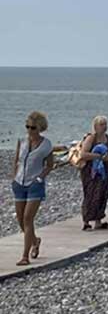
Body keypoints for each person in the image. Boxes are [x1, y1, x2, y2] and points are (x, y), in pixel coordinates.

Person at [11, 111, 52, 266]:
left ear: (40, 128)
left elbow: (49, 165)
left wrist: (40, 178)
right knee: (20, 220)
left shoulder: (46, 144)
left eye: (33, 128)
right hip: (19, 183)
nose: (29, 130)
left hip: (35, 184)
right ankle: (35, 241)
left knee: (28, 218)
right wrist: (13, 177)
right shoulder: (21, 141)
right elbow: (16, 160)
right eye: (27, 127)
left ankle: (25, 256)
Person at [79, 115, 108, 230]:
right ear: (95, 126)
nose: (104, 127)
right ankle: (86, 221)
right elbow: (83, 154)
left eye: (105, 124)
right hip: (91, 170)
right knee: (90, 193)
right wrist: (97, 156)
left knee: (102, 193)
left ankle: (98, 220)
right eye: (101, 124)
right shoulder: (91, 138)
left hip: (104, 169)